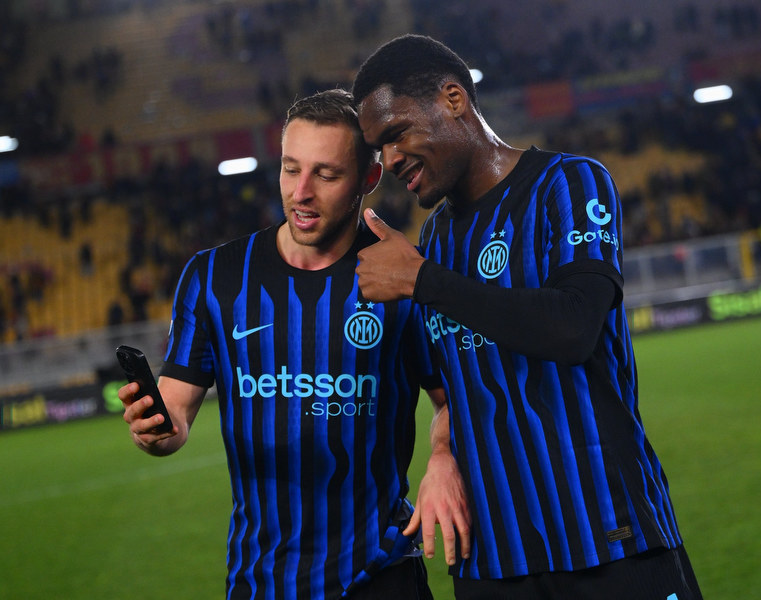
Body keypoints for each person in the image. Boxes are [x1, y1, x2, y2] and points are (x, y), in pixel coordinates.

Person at [351, 34, 703, 600]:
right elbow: (450, 389)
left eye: (396, 133)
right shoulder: (434, 240)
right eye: (378, 149)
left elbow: (574, 327)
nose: (390, 160)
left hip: (609, 537)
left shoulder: (569, 183)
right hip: (493, 562)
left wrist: (423, 281)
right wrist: (440, 454)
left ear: (453, 99)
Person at [119, 89, 470, 600]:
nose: (300, 192)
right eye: (290, 169)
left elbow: (453, 398)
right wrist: (155, 429)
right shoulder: (214, 277)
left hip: (381, 575)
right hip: (261, 581)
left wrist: (442, 455)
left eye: (326, 175)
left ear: (368, 179)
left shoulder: (402, 276)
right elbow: (175, 413)